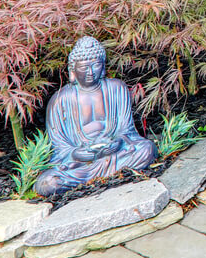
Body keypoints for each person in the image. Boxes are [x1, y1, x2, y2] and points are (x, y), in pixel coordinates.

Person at [34, 36, 156, 196]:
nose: (90, 73)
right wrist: (75, 153)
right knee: (48, 183)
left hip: (115, 153)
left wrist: (119, 141)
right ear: (73, 70)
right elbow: (59, 146)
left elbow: (126, 129)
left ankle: (95, 178)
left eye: (96, 66)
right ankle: (105, 175)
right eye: (84, 68)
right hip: (81, 163)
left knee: (147, 150)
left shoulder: (116, 88)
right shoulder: (60, 100)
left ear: (103, 67)